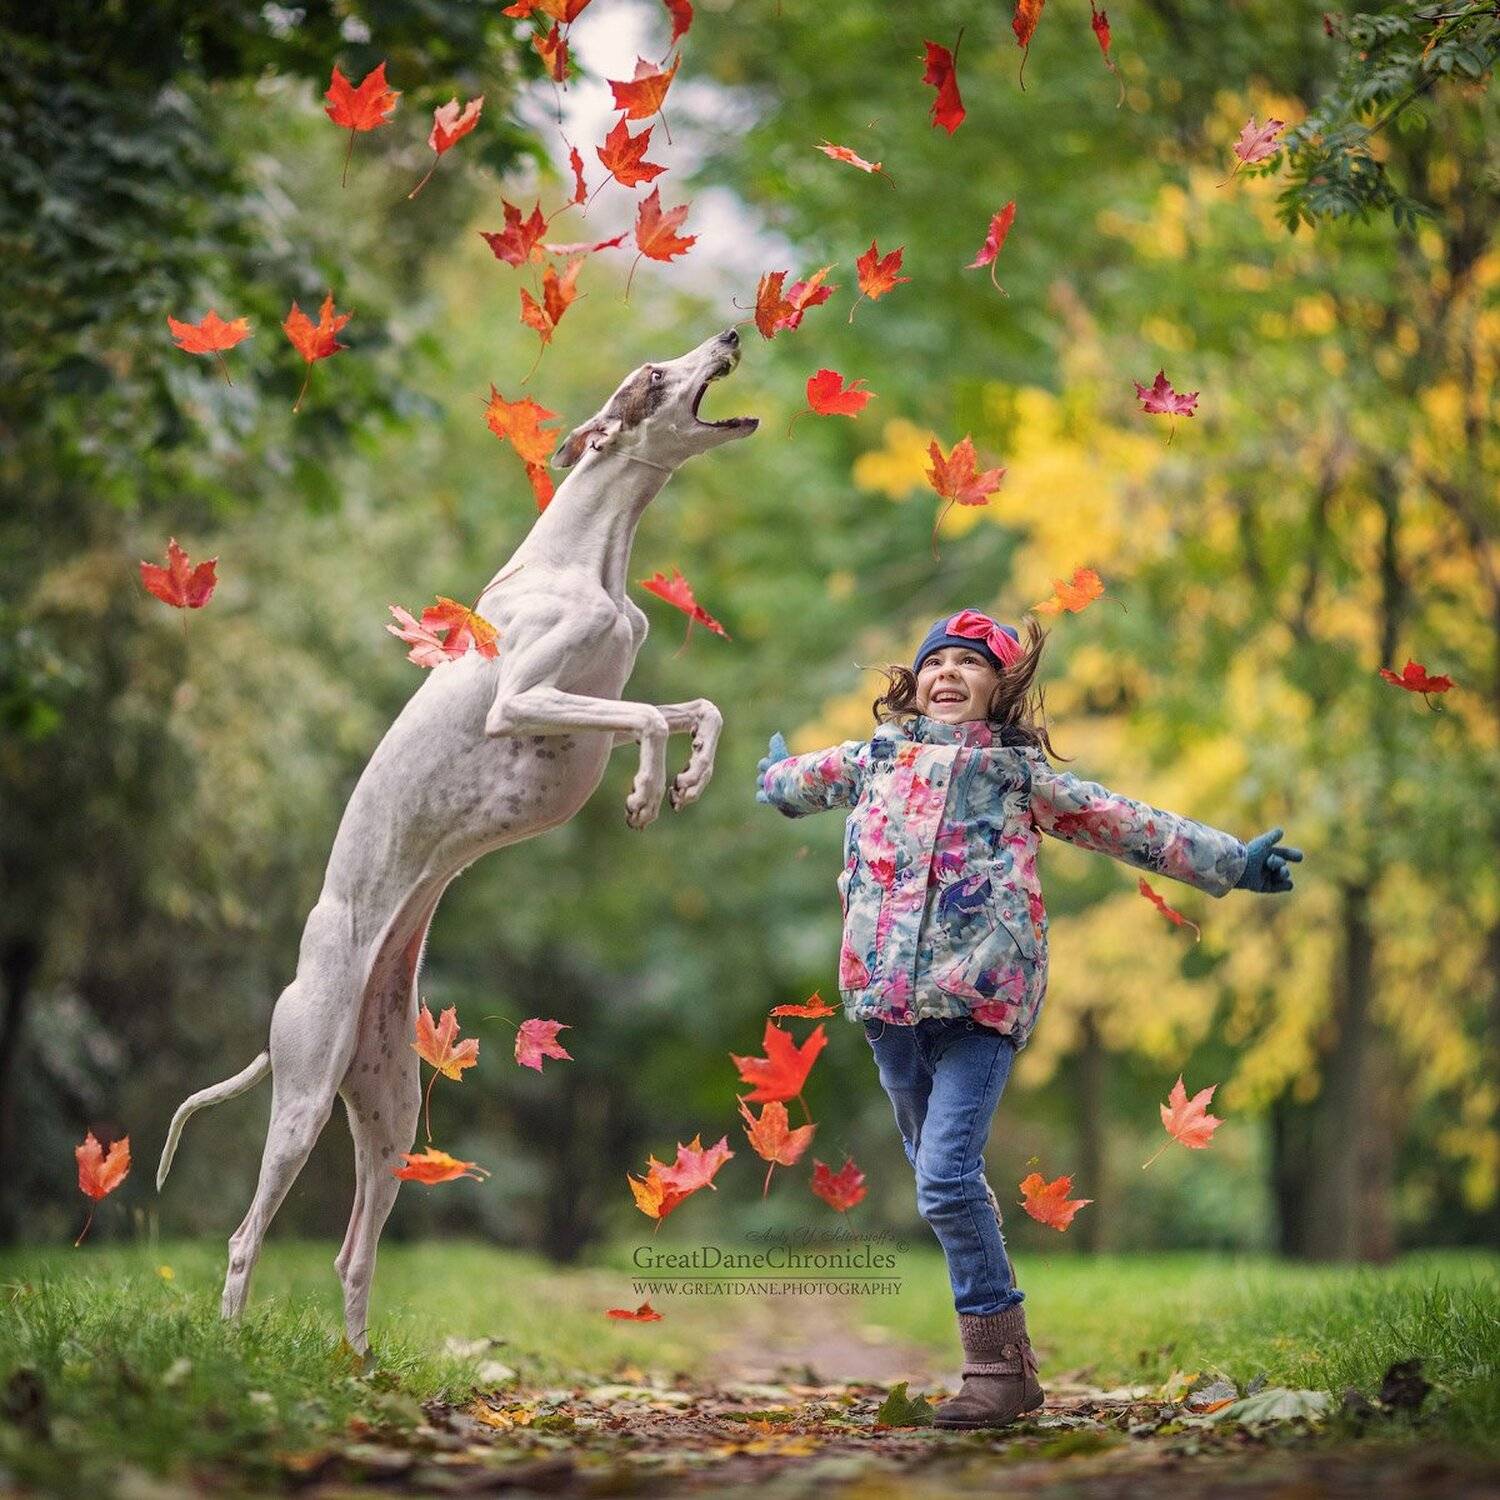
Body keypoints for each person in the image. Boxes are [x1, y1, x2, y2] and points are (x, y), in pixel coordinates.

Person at [754, 607, 1302, 1429]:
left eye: (969, 666)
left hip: (983, 998)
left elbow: (1129, 825)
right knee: (943, 1184)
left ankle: (999, 1370)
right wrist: (775, 779)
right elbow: (802, 784)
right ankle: (1009, 1369)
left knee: (943, 1177)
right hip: (886, 1002)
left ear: (1001, 690)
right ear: (914, 679)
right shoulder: (876, 757)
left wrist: (1232, 862)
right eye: (935, 661)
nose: (948, 674)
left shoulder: (1017, 777)